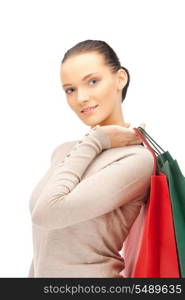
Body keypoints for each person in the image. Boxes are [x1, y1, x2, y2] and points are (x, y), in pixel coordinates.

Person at [28, 39, 154, 278]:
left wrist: (97, 140)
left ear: (120, 79)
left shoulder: (137, 160)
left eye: (92, 81)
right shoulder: (66, 151)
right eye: (70, 89)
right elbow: (43, 248)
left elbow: (48, 212)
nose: (81, 98)